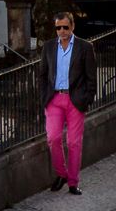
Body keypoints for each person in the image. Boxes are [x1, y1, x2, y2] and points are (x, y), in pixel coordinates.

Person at [44, 11, 99, 194]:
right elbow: (42, 75)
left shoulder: (85, 47)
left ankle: (73, 182)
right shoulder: (49, 47)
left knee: (74, 142)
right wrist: (44, 97)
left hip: (75, 100)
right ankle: (62, 173)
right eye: (58, 28)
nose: (62, 31)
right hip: (54, 99)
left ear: (72, 27)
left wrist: (86, 99)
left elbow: (92, 78)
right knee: (53, 138)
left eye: (65, 27)